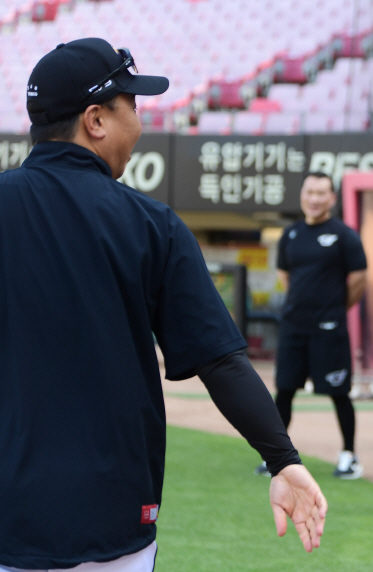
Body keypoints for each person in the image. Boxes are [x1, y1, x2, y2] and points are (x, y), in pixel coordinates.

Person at [0, 38, 326, 572]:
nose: (140, 121)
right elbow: (220, 362)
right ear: (95, 120)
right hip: (111, 516)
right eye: (131, 104)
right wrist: (282, 460)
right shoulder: (152, 224)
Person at [255, 172, 368, 479]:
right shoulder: (291, 234)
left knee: (339, 392)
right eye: (310, 192)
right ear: (302, 195)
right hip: (293, 327)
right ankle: (275, 457)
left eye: (321, 193)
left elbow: (359, 279)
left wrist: (334, 309)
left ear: (332, 198)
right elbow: (284, 275)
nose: (314, 199)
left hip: (329, 329)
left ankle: (349, 456)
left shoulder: (344, 235)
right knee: (284, 391)